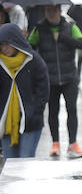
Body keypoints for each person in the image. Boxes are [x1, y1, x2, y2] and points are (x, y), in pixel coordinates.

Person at [29, 4, 82, 158]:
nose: (51, 13)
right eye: (48, 10)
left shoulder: (70, 26)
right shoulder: (39, 28)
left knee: (71, 109)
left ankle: (72, 143)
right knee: (52, 112)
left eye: (54, 10)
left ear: (59, 11)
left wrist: (62, 37)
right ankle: (55, 143)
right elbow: (29, 48)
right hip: (50, 78)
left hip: (69, 77)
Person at [0, 23, 49, 158]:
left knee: (26, 161)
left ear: (16, 41)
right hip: (6, 123)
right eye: (2, 45)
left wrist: (34, 111)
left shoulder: (33, 60)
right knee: (9, 165)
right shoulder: (1, 63)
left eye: (7, 44)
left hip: (30, 123)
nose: (5, 48)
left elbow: (43, 90)